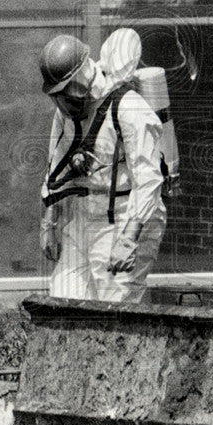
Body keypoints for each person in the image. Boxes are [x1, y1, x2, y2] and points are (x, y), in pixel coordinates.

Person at [38, 30, 166, 303]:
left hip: (124, 219)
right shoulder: (66, 114)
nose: (62, 102)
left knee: (113, 313)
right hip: (84, 218)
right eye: (57, 96)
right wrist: (49, 223)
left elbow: (149, 180)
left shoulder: (128, 107)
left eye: (66, 93)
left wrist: (129, 240)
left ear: (81, 81)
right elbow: (56, 165)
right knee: (62, 304)